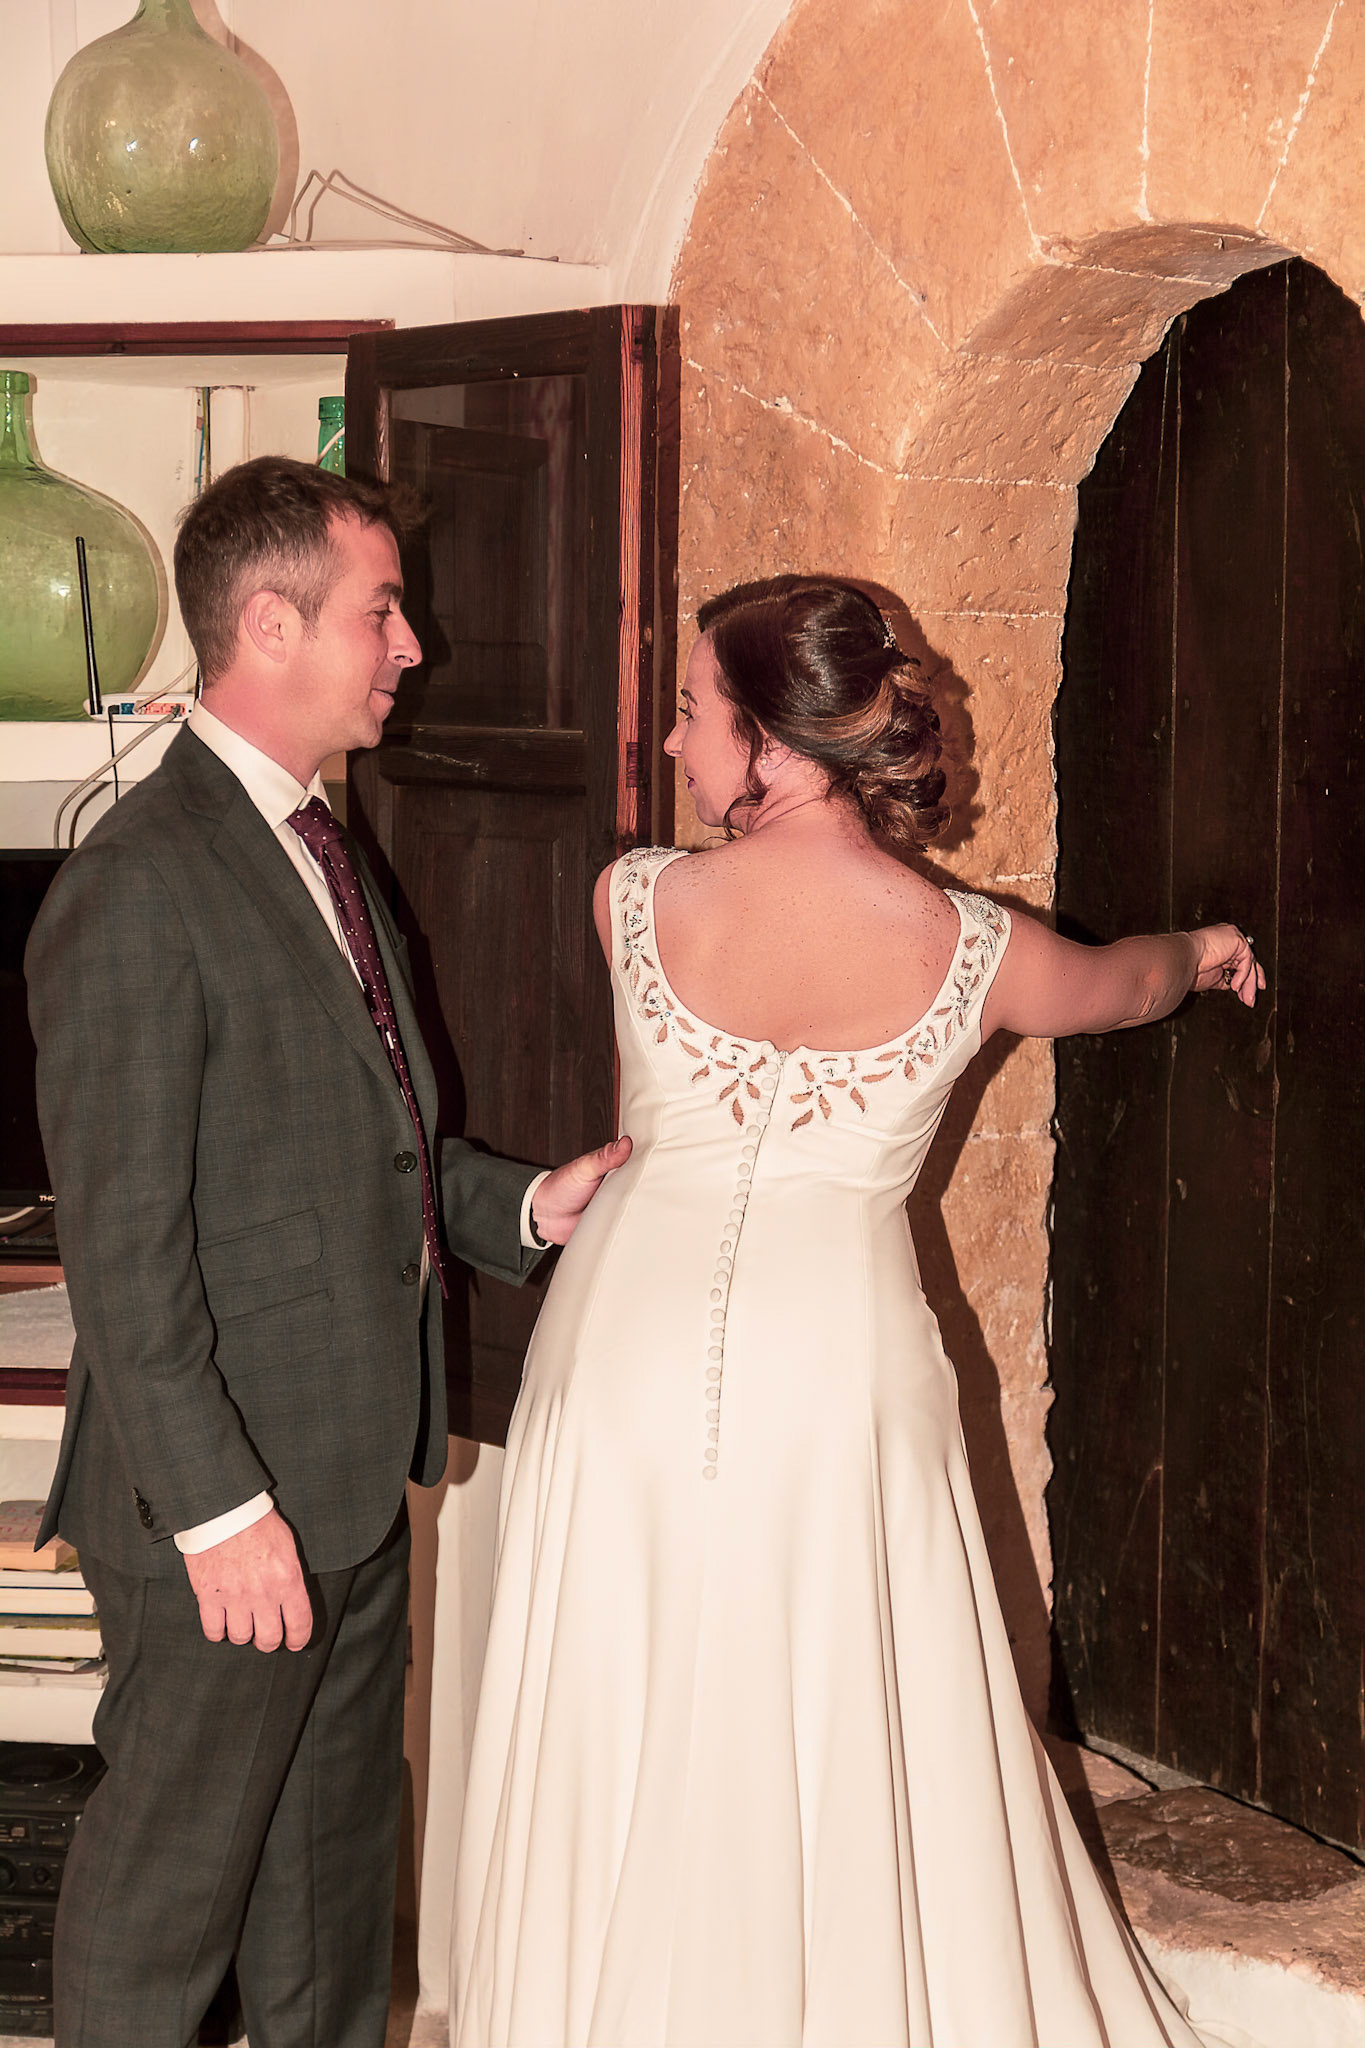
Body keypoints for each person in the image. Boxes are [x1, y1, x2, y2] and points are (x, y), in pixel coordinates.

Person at [449, 575, 1264, 2048]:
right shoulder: (976, 946)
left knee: (620, 1688)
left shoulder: (632, 897)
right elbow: (1125, 987)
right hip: (837, 1369)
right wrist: (1203, 949)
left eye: (693, 711)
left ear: (771, 741)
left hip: (624, 1354)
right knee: (840, 1689)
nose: (675, 741)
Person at [26, 455, 629, 2048]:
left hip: (351, 1475)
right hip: (224, 1512)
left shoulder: (320, 846)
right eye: (383, 612)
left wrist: (522, 1207)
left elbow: (359, 1147)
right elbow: (125, 1250)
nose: (411, 646)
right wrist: (221, 1512)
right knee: (165, 1913)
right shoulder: (136, 884)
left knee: (328, 1909)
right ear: (273, 625)